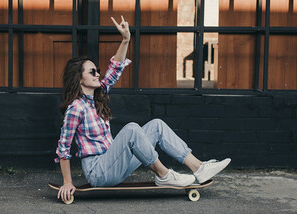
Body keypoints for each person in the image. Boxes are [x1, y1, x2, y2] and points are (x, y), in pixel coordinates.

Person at [55, 16, 231, 203]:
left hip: (115, 163)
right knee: (131, 129)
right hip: (98, 171)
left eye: (97, 70)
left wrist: (125, 40)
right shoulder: (76, 108)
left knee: (156, 125)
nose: (98, 73)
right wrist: (67, 182)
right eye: (92, 72)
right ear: (79, 78)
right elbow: (63, 148)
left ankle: (199, 168)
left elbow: (115, 69)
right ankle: (164, 175)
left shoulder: (97, 95)